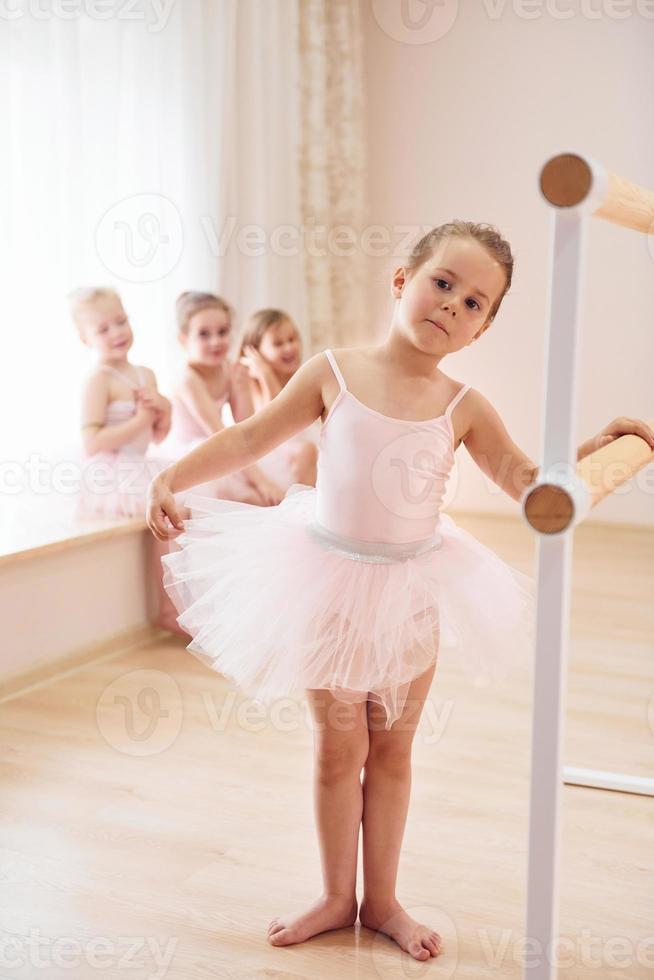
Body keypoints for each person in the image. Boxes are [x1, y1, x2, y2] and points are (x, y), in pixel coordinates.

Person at [145, 222, 654, 962]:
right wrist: (169, 477)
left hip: (414, 587)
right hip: (326, 581)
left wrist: (593, 452)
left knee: (393, 750)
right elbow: (252, 438)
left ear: (482, 328)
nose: (452, 305)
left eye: (475, 302)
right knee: (336, 748)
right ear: (401, 281)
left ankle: (382, 900)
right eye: (442, 283)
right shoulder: (333, 372)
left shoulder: (465, 406)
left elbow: (523, 482)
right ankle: (333, 894)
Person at [71, 286, 186, 636]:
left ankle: (186, 601)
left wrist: (162, 411)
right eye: (103, 329)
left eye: (121, 321)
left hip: (141, 460)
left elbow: (156, 437)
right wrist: (138, 418)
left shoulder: (145, 373)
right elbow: (91, 443)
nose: (117, 332)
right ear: (84, 338)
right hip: (111, 469)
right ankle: (168, 610)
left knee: (183, 507)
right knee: (167, 513)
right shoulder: (98, 380)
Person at [159, 291, 284, 505]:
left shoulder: (226, 369)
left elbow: (245, 426)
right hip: (195, 456)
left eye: (222, 332)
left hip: (221, 449)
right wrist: (261, 481)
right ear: (183, 340)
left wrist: (241, 389)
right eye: (204, 334)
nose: (216, 341)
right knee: (252, 499)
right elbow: (218, 433)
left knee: (266, 497)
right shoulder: (188, 379)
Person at [238, 308, 319, 489]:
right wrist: (266, 374)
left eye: (292, 339)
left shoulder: (300, 377)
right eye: (278, 344)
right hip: (274, 456)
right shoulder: (253, 385)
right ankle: (303, 509)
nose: (289, 348)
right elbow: (277, 417)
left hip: (304, 454)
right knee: (306, 451)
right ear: (255, 352)